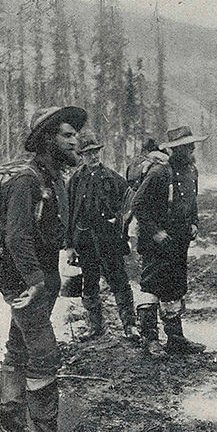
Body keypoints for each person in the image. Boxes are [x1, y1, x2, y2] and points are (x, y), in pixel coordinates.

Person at [0, 105, 87, 432]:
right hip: (23, 280)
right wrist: (34, 280)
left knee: (18, 348)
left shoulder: (54, 180)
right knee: (45, 353)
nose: (75, 140)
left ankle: (12, 423)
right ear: (49, 140)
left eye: (75, 135)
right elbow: (16, 237)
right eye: (68, 135)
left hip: (43, 278)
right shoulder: (26, 181)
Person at [131, 126, 206, 357]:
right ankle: (150, 339)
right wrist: (155, 232)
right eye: (186, 146)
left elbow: (192, 203)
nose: (191, 149)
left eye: (192, 145)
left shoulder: (191, 171)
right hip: (157, 242)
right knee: (151, 287)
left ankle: (175, 338)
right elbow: (138, 205)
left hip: (179, 240)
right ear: (175, 149)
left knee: (175, 286)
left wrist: (194, 223)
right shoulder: (160, 172)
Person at [65, 131, 138, 341]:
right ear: (81, 156)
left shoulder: (113, 178)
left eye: (95, 152)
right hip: (85, 241)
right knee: (89, 284)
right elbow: (68, 215)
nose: (93, 157)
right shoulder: (76, 180)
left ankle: (130, 325)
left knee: (119, 282)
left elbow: (129, 204)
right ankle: (95, 327)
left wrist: (121, 227)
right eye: (88, 154)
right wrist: (69, 246)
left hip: (109, 239)